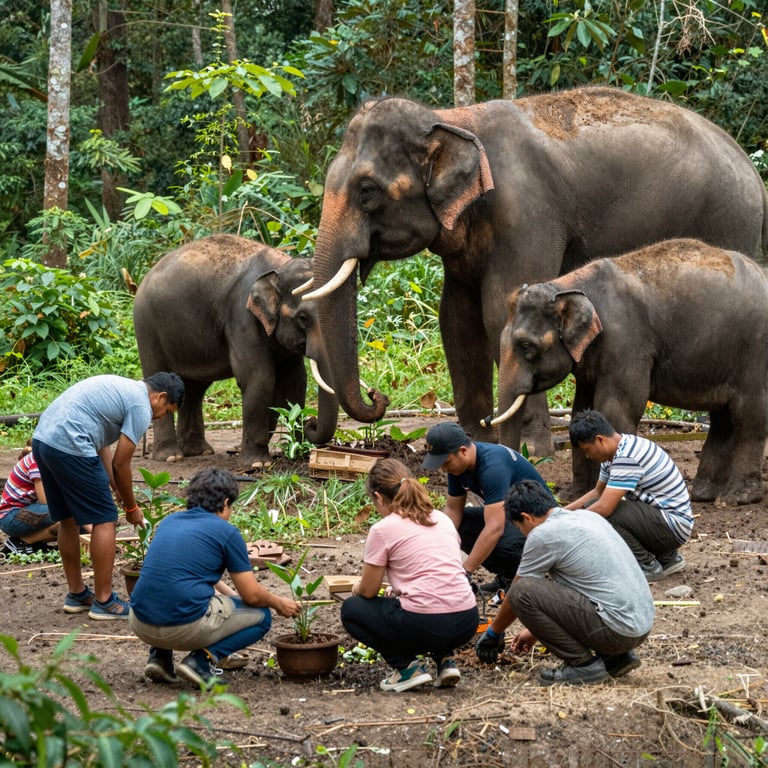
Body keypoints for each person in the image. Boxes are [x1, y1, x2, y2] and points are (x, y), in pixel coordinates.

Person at [129, 468, 300, 687]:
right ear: (226, 502)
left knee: (169, 590)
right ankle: (201, 661)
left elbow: (190, 575)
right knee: (262, 616)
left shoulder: (170, 522)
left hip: (140, 621)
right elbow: (253, 596)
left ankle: (160, 658)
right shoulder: (226, 532)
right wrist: (278, 603)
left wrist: (235, 600)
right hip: (183, 627)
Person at [32, 372, 184, 619]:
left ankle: (77, 594)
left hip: (44, 442)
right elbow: (121, 464)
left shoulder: (121, 390)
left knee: (68, 519)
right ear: (161, 397)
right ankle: (104, 601)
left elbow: (102, 447)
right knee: (105, 519)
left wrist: (117, 490)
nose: (161, 417)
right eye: (167, 411)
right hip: (71, 444)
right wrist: (132, 508)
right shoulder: (140, 405)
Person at [475, 480, 655, 686]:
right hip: (640, 625)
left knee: (521, 592)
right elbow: (581, 588)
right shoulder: (586, 516)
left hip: (617, 630)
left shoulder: (543, 535)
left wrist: (493, 632)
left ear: (526, 518)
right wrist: (538, 630)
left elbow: (518, 590)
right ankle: (616, 658)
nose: (523, 534)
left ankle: (583, 665)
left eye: (519, 527)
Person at [341, 458, 479, 692]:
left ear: (379, 497)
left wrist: (355, 589)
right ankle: (446, 660)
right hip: (467, 619)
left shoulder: (383, 529)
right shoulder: (442, 518)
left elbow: (368, 591)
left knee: (352, 610)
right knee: (432, 601)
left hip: (426, 622)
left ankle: (407, 668)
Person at [421, 421, 555, 593]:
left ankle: (520, 578)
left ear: (462, 451)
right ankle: (505, 575)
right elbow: (453, 511)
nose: (442, 469)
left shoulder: (493, 467)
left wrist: (464, 572)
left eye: (445, 463)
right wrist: (437, 552)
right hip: (509, 519)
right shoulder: (457, 467)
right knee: (461, 525)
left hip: (539, 526)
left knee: (500, 537)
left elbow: (495, 527)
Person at [565, 410, 693, 581]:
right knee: (595, 508)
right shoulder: (615, 454)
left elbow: (604, 507)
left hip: (673, 525)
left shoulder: (627, 456)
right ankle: (667, 558)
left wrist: (569, 523)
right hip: (667, 520)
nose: (588, 456)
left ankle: (647, 565)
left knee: (605, 513)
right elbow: (597, 492)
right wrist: (562, 513)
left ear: (600, 440)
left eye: (587, 450)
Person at [0, 442, 57, 556]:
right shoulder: (38, 461)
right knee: (68, 515)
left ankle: (34, 542)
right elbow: (45, 501)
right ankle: (23, 542)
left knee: (79, 525)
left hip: (27, 511)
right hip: (10, 516)